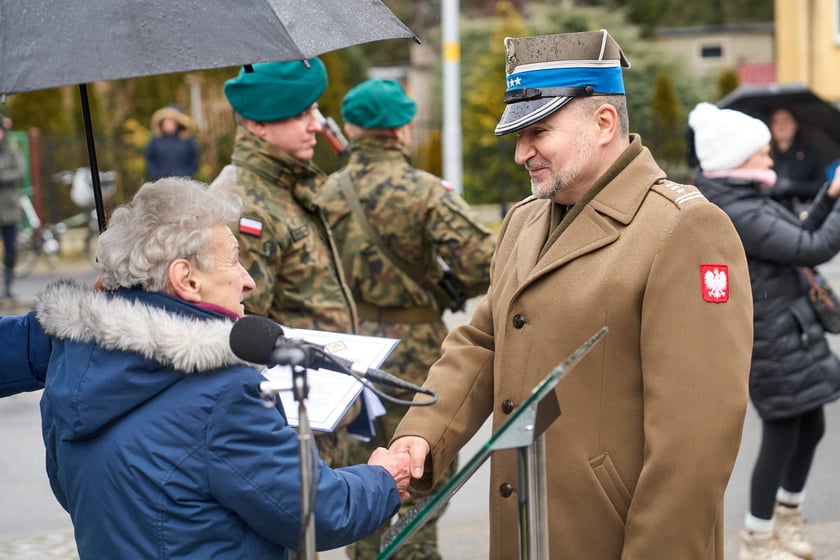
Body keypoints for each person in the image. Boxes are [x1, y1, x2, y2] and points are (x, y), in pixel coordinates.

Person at [388, 29, 754, 559]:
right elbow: (484, 341)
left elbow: (695, 443)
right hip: (526, 530)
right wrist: (421, 437)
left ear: (604, 123)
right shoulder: (525, 220)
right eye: (517, 135)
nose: (520, 153)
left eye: (538, 131)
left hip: (611, 539)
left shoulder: (683, 228)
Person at [4, 177, 409, 559]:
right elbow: (319, 513)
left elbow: (72, 491)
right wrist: (382, 478)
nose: (248, 281)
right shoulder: (226, 394)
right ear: (187, 280)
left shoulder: (75, 364)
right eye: (233, 260)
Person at [319, 78, 495, 559]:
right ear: (402, 130)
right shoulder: (424, 192)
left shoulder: (323, 193)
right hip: (413, 359)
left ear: (352, 128)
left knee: (364, 480)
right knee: (418, 478)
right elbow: (486, 262)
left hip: (344, 355)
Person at [689, 101, 840, 560]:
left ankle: (786, 521)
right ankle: (757, 539)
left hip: (791, 330)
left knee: (810, 426)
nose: (771, 160)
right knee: (780, 434)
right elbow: (812, 247)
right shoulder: (735, 210)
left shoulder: (749, 199)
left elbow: (800, 235)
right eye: (762, 153)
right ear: (737, 160)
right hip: (771, 339)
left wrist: (830, 197)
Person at [209, 60, 360, 472]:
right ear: (259, 124)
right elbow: (238, 329)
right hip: (283, 425)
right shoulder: (246, 203)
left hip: (315, 408)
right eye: (301, 114)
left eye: (314, 110)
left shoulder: (283, 187)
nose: (317, 124)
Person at [768, 107, 824, 218]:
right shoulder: (764, 155)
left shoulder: (810, 153)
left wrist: (792, 186)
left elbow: (821, 187)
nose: (781, 125)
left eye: (785, 120)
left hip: (802, 213)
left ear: (795, 124)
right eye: (776, 121)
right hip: (770, 213)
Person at [0, 117, 24, 299]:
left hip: (8, 208)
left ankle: (8, 286)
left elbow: (20, 172)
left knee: (11, 249)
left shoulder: (11, 151)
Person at [144, 105, 201, 180]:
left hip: (183, 181)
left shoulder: (187, 139)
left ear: (177, 123)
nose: (168, 124)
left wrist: (187, 174)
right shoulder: (155, 140)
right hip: (160, 181)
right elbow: (150, 158)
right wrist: (156, 174)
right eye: (166, 121)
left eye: (171, 121)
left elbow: (194, 159)